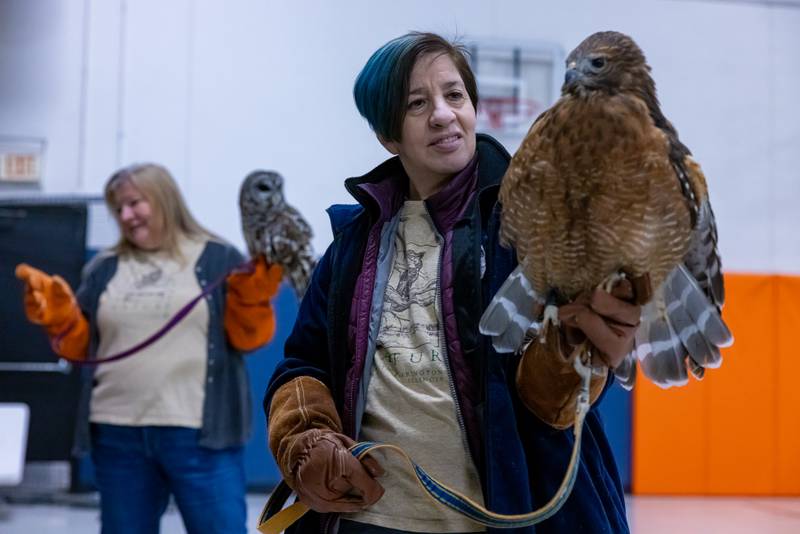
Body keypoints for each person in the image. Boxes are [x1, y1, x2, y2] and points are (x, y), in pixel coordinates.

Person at [264, 32, 639, 534]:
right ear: (388, 136)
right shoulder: (353, 242)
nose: (442, 114)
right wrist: (309, 440)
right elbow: (303, 364)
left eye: (454, 95)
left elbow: (550, 403)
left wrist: (573, 353)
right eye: (417, 103)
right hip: (369, 517)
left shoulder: (532, 225)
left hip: (506, 512)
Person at [16, 163, 282, 534]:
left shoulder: (219, 258)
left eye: (134, 203)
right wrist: (60, 318)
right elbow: (81, 349)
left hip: (200, 436)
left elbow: (249, 340)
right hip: (117, 433)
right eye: (118, 209)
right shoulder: (103, 268)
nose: (126, 216)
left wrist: (253, 301)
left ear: (164, 199)